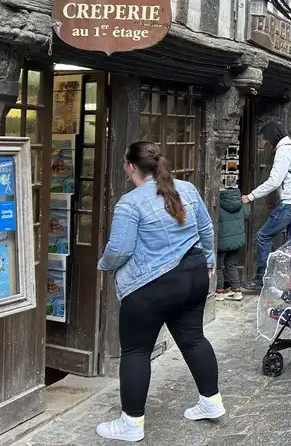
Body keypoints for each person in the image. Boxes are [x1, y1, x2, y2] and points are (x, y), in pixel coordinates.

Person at [95, 141, 224, 441]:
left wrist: (103, 265)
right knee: (194, 339)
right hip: (193, 277)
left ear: (131, 167)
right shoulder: (187, 189)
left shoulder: (130, 203)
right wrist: (209, 259)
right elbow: (206, 228)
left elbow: (120, 249)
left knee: (136, 351)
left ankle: (131, 424)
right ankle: (211, 401)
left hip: (151, 286)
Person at [241, 122, 291, 290]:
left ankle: (263, 278)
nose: (266, 142)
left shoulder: (283, 151)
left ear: (273, 136)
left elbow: (274, 181)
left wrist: (250, 196)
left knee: (263, 236)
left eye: (266, 138)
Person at [215, 185, 250, 301]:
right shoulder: (240, 201)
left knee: (218, 266)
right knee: (231, 264)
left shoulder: (217, 201)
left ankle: (219, 292)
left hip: (221, 240)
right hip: (236, 240)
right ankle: (236, 290)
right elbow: (246, 216)